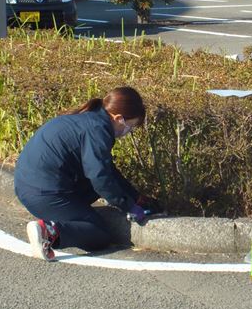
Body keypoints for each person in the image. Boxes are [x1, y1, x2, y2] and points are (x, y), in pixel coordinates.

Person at [14, 86, 153, 261]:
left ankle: (57, 221)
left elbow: (107, 169)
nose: (128, 132)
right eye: (130, 126)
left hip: (27, 185)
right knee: (99, 233)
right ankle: (48, 231)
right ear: (118, 118)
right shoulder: (98, 130)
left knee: (101, 181)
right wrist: (128, 206)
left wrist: (135, 197)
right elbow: (100, 177)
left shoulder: (88, 118)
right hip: (44, 193)